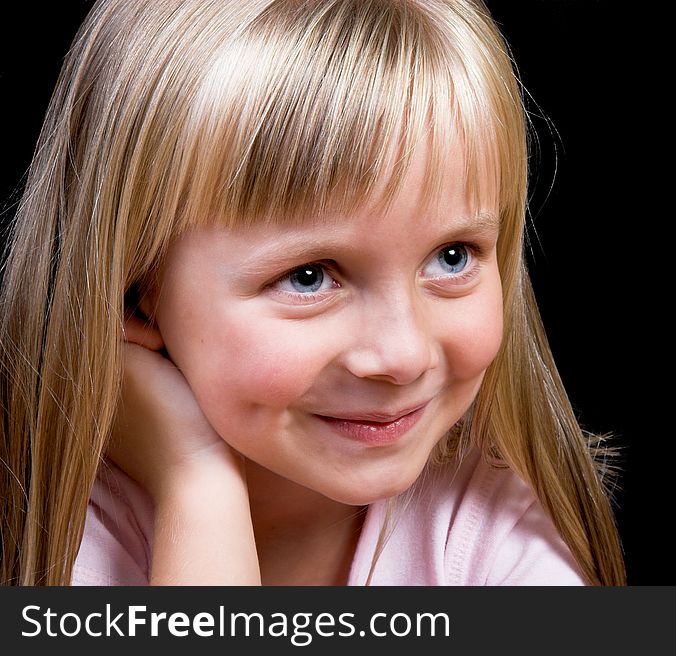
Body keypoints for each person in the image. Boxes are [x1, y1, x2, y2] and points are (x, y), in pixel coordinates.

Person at [0, 0, 626, 586]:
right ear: (138, 289)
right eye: (309, 276)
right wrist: (196, 485)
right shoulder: (55, 531)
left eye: (452, 257)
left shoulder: (486, 529)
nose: (402, 356)